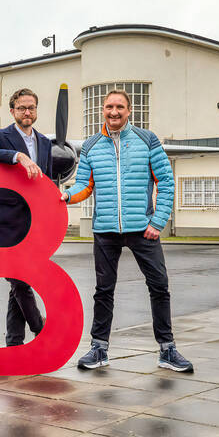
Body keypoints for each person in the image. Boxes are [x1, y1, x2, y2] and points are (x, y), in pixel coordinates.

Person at [61, 90, 193, 372]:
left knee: (159, 286)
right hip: (105, 230)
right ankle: (99, 349)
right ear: (103, 110)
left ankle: (167, 350)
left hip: (142, 229)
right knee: (103, 290)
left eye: (120, 106)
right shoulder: (91, 145)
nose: (114, 112)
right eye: (109, 106)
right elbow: (84, 185)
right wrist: (65, 196)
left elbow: (166, 183)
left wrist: (157, 222)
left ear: (129, 110)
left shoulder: (148, 140)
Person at [0, 88, 52, 346]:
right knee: (18, 278)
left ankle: (14, 342)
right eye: (21, 108)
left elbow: (47, 182)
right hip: (5, 223)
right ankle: (40, 328)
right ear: (12, 111)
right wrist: (17, 156)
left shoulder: (45, 142)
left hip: (31, 224)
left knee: (19, 283)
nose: (27, 112)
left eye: (31, 107)